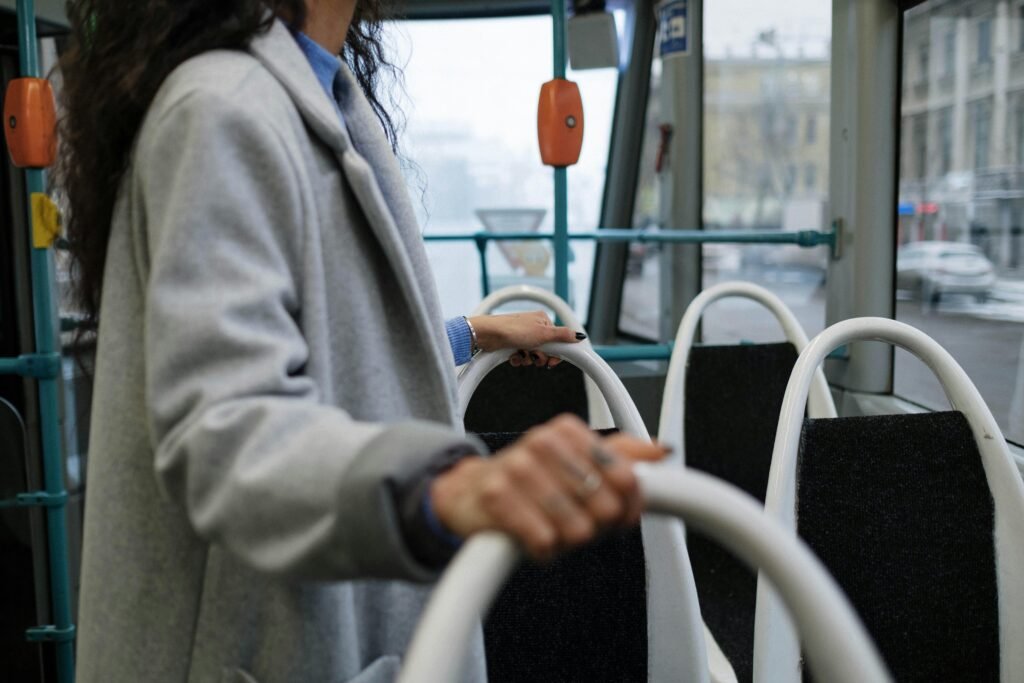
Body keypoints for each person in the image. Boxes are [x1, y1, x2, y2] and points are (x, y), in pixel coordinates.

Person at [59, 1, 665, 681]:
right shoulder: (220, 111)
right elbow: (225, 430)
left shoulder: (316, 93)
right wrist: (443, 486)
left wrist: (469, 334)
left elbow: (315, 345)